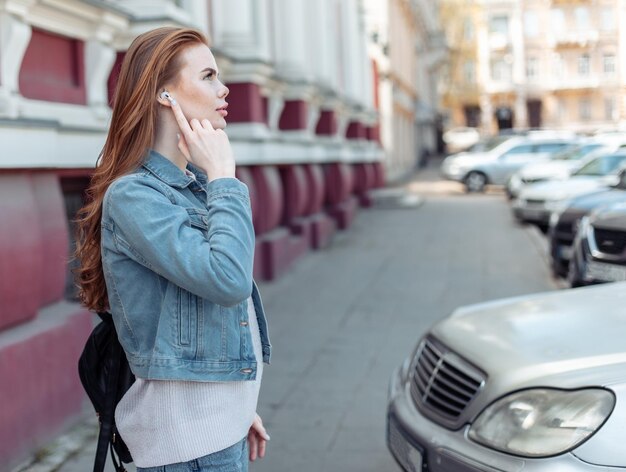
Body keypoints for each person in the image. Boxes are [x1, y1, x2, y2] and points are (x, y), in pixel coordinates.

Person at [75, 26, 271, 471]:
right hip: (188, 447)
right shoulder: (136, 197)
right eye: (207, 76)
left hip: (216, 431)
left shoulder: (194, 186)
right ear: (165, 93)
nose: (224, 89)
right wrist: (224, 178)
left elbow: (203, 315)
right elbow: (228, 281)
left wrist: (237, 411)